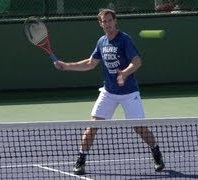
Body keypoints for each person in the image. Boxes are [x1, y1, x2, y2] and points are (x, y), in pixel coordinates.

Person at [53, 8, 165, 175]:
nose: (107, 24)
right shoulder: (101, 42)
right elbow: (91, 63)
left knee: (138, 127)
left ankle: (155, 152)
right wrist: (67, 66)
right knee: (93, 125)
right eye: (104, 22)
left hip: (129, 92)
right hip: (108, 92)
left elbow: (137, 61)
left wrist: (125, 73)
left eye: (109, 20)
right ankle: (81, 159)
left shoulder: (124, 40)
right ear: (100, 24)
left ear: (115, 21)